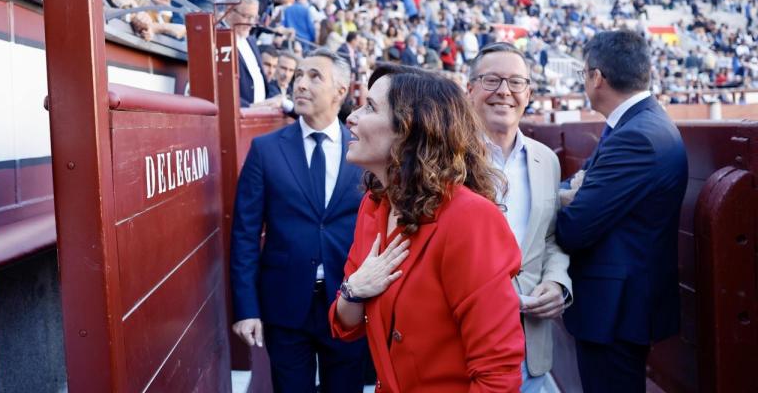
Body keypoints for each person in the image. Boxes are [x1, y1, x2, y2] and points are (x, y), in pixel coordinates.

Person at [329, 64, 524, 393]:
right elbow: (344, 323)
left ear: (411, 130)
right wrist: (355, 288)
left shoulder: (470, 219)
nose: (351, 116)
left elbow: (497, 371)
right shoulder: (375, 206)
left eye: (370, 107)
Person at [556, 30, 688, 393]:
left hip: (615, 310)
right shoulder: (640, 126)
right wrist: (571, 195)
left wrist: (565, 199)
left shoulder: (636, 135)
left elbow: (574, 227)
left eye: (584, 75)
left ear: (597, 77)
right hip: (620, 304)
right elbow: (575, 190)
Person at [231, 49, 367, 393]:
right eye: (299, 76)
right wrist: (246, 308)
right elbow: (245, 234)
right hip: (285, 304)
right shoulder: (266, 149)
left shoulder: (366, 149)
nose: (301, 84)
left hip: (349, 303)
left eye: (314, 76)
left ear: (341, 90)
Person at [467, 43, 572, 392]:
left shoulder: (546, 160)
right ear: (470, 90)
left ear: (528, 93)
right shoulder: (445, 159)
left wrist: (558, 283)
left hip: (530, 346)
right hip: (465, 345)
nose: (504, 92)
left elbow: (549, 237)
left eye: (515, 82)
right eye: (492, 80)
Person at [224, 0, 279, 108]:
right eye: (246, 16)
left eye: (254, 17)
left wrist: (276, 97)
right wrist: (249, 107)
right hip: (239, 115)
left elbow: (261, 78)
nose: (251, 23)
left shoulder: (251, 40)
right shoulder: (217, 40)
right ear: (229, 11)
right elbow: (218, 89)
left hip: (259, 115)